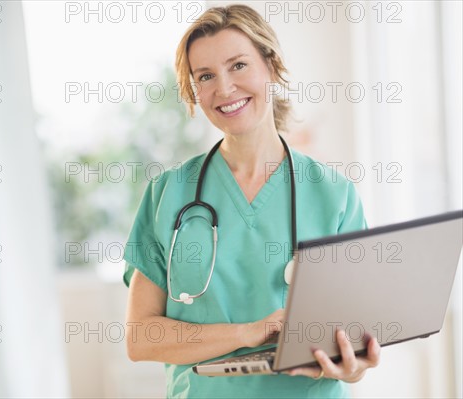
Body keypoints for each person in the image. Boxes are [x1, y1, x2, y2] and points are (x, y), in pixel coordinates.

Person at [123, 4, 380, 398]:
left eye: (238, 65)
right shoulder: (168, 194)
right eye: (205, 76)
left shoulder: (334, 194)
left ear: (271, 67)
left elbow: (357, 342)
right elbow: (141, 338)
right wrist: (248, 332)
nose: (224, 88)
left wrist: (353, 367)